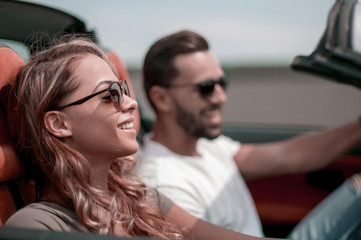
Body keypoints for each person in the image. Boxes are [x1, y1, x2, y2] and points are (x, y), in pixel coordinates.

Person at [3, 36, 280, 240]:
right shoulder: (37, 226)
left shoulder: (141, 197)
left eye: (123, 89)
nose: (130, 103)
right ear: (59, 123)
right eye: (110, 95)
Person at [136, 29, 361, 239]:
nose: (220, 97)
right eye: (205, 87)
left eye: (222, 83)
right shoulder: (166, 184)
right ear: (161, 98)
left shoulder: (206, 146)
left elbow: (289, 154)